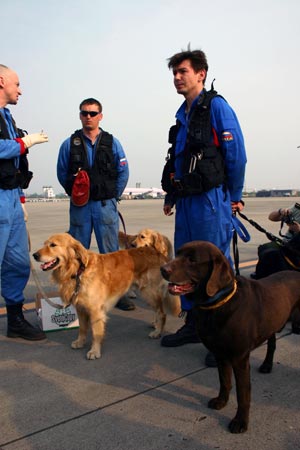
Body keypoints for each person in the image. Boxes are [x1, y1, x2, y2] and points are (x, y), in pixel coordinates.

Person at [160, 48, 247, 367]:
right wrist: (172, 195)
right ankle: (194, 325)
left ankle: (225, 334)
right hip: (187, 203)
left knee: (216, 268)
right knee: (186, 266)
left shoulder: (216, 107)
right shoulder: (183, 115)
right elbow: (180, 162)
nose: (177, 77)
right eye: (174, 73)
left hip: (212, 202)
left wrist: (234, 195)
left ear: (201, 74)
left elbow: (236, 154)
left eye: (183, 71)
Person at [57, 98, 134, 311]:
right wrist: (76, 195)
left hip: (104, 206)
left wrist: (112, 196)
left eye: (92, 113)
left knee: (111, 253)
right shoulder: (69, 144)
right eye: (84, 113)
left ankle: (118, 295)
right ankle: (76, 291)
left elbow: (123, 172)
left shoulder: (112, 142)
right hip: (80, 207)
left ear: (100, 116)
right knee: (76, 252)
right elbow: (62, 173)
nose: (88, 117)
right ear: (80, 115)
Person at [0, 64, 48, 340]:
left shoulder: (8, 118)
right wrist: (24, 142)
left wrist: (20, 199)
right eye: (16, 84)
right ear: (1, 81)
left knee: (17, 263)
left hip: (10, 199)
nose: (20, 89)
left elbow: (14, 165)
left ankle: (15, 321)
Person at [251, 203, 300, 279]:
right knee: (264, 248)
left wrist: (298, 230)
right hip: (287, 243)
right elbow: (271, 217)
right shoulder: (297, 209)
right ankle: (262, 275)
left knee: (276, 257)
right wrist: (280, 212)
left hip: (297, 247)